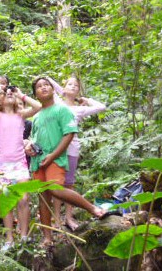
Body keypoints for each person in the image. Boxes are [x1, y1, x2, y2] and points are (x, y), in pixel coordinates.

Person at [25, 77, 107, 246]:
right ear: (36, 94)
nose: (44, 87)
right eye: (39, 87)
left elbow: (69, 133)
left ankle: (93, 209)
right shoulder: (38, 116)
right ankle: (47, 238)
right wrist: (29, 147)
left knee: (56, 189)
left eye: (46, 84)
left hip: (55, 158)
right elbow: (34, 138)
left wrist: (53, 155)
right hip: (38, 161)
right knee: (43, 198)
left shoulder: (62, 110)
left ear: (53, 89)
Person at [0, 84, 41, 250]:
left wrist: (21, 95)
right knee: (7, 201)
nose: (9, 94)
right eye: (6, 94)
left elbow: (37, 106)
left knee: (23, 199)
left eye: (11, 94)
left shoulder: (20, 115)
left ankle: (24, 235)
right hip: (4, 165)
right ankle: (9, 239)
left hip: (20, 163)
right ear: (0, 101)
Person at [49, 76, 106, 231]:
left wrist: (85, 99)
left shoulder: (80, 109)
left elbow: (102, 107)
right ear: (63, 87)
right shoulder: (58, 102)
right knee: (57, 185)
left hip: (72, 149)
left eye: (76, 85)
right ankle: (56, 219)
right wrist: (63, 91)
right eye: (70, 84)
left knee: (69, 183)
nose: (73, 86)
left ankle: (68, 217)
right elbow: (47, 81)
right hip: (57, 148)